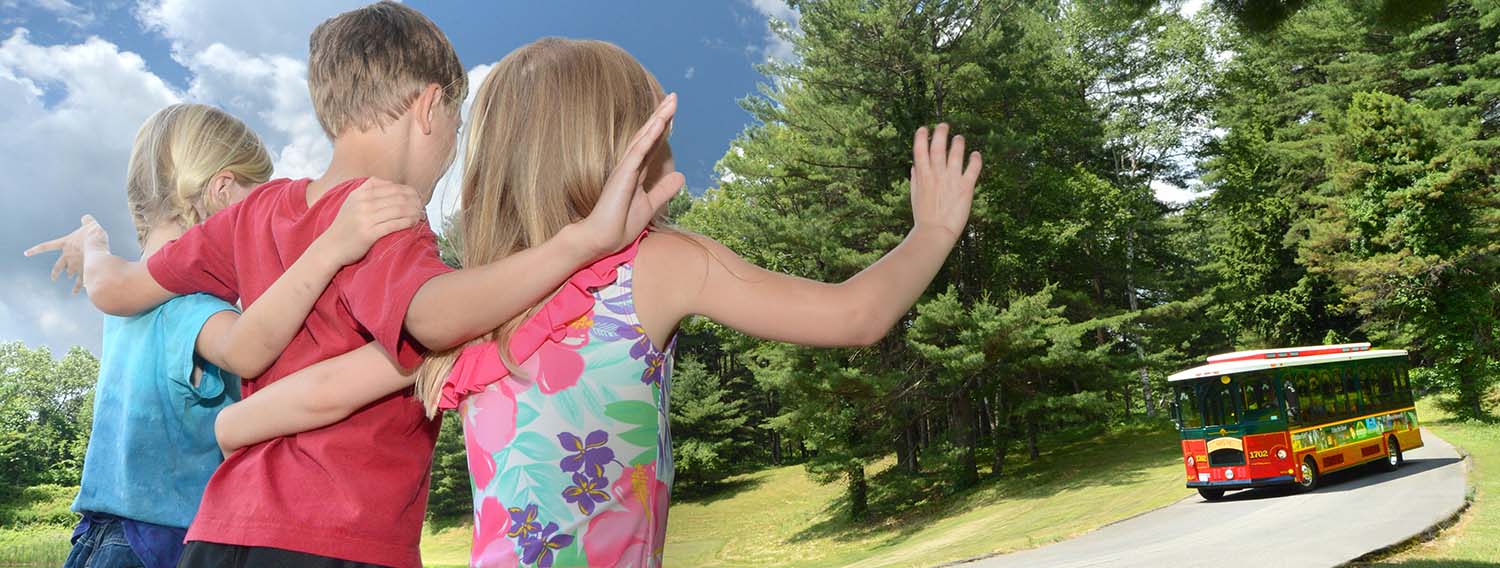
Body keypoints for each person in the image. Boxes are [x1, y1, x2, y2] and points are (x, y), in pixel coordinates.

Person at [220, 38, 981, 567]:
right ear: (624, 144)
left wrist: (227, 423)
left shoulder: (471, 312)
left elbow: (312, 394)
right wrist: (933, 230)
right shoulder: (658, 266)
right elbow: (857, 315)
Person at [30, 4, 680, 567]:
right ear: (429, 107)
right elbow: (434, 317)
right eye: (455, 128)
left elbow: (120, 291)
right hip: (339, 538)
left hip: (221, 527)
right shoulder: (389, 217)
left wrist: (91, 246)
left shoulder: (255, 213)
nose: (452, 150)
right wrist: (577, 245)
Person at [24, 102, 424, 568]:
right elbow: (248, 349)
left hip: (96, 537)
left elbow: (101, 275)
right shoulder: (191, 308)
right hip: (161, 540)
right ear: (221, 191)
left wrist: (90, 240)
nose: (263, 224)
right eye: (256, 203)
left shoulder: (123, 296)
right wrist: (331, 246)